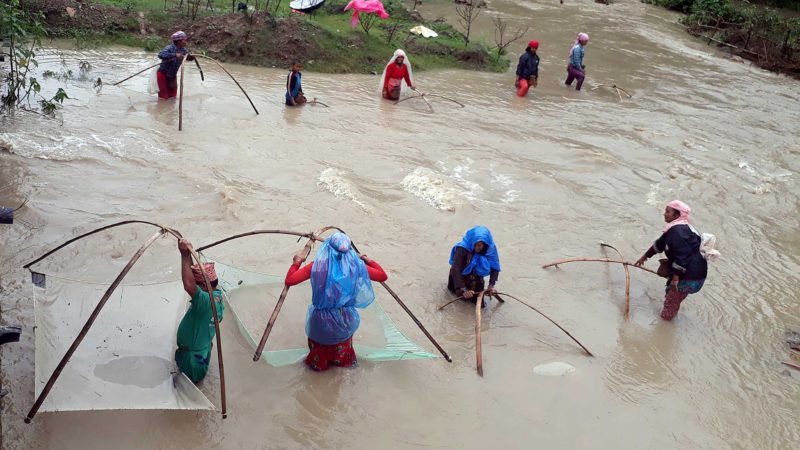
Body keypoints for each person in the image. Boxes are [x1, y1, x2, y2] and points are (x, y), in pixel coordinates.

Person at [284, 232, 388, 371]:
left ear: (327, 248)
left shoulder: (317, 266)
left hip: (321, 321)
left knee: (318, 362)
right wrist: (366, 259)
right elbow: (382, 275)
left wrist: (296, 262)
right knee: (342, 356)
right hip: (345, 319)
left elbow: (290, 280)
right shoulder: (356, 266)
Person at [635, 201, 710, 321]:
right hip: (696, 273)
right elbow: (659, 244)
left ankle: (665, 325)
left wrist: (675, 279)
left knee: (670, 305)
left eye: (668, 212)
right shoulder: (678, 228)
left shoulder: (677, 232)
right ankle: (672, 312)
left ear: (677, 215)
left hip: (691, 278)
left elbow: (682, 258)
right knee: (672, 295)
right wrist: (644, 257)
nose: (664, 214)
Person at [175, 239, 224, 383]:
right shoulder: (217, 296)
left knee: (188, 386)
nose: (195, 285)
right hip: (200, 353)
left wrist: (184, 255)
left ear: (203, 285)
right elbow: (192, 282)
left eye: (198, 283)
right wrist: (188, 252)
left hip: (192, 361)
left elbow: (189, 285)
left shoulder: (205, 301)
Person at [447, 226, 501, 306]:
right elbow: (456, 269)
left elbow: (495, 267)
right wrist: (463, 289)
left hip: (477, 278)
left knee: (481, 305)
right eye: (476, 245)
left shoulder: (490, 248)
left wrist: (491, 286)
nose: (477, 248)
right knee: (456, 300)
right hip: (459, 278)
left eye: (480, 245)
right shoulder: (462, 248)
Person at [157, 31, 194, 100]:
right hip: (163, 74)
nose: (186, 42)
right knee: (163, 98)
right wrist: (175, 55)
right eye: (184, 40)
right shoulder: (169, 48)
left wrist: (191, 57)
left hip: (172, 75)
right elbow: (160, 54)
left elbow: (188, 58)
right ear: (179, 41)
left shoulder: (184, 50)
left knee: (173, 97)